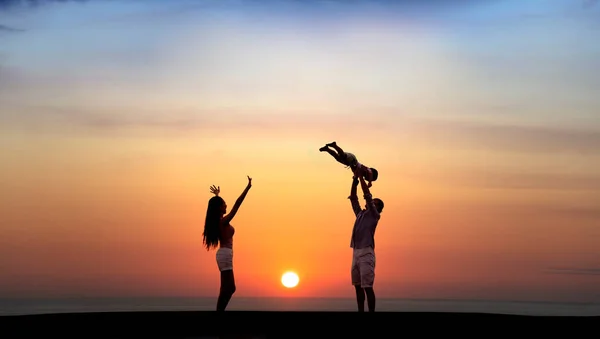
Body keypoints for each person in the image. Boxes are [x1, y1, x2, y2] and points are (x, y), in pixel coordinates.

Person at [202, 175, 252, 311]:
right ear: (219, 208)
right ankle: (219, 313)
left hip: (225, 254)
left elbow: (219, 206)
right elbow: (237, 204)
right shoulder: (223, 222)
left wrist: (218, 196)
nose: (226, 205)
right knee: (229, 288)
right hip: (224, 254)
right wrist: (247, 188)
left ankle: (219, 313)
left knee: (227, 287)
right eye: (224, 204)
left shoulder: (219, 221)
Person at [348, 167, 384, 312]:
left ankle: (371, 314)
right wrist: (355, 181)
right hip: (356, 252)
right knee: (357, 285)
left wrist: (362, 177)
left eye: (374, 202)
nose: (371, 203)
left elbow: (366, 195)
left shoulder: (375, 215)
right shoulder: (361, 214)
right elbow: (354, 199)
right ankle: (360, 312)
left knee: (367, 286)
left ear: (378, 208)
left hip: (366, 253)